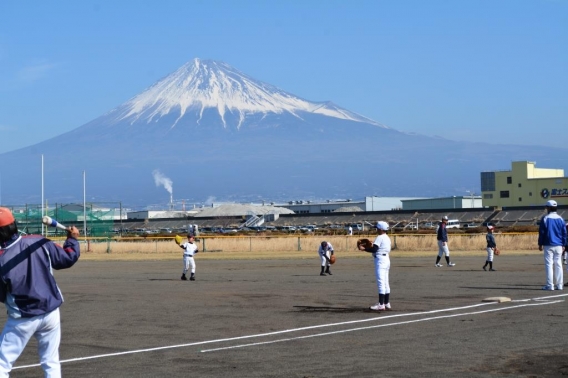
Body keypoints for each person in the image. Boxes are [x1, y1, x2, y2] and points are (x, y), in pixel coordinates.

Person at [0, 207, 81, 377]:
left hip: (22, 318)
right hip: (51, 313)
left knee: (1, 365)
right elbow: (67, 258)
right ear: (14, 224)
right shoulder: (39, 241)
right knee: (50, 362)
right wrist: (72, 239)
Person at [358, 221, 391, 311]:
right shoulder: (387, 237)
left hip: (380, 260)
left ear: (380, 229)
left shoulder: (380, 237)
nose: (376, 229)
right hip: (386, 259)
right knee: (385, 282)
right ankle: (386, 303)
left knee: (381, 282)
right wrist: (371, 245)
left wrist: (364, 249)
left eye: (377, 228)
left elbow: (374, 249)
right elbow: (377, 247)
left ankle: (381, 304)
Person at [538, 200, 567, 290]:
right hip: (559, 245)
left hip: (548, 244)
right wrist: (564, 244)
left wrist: (540, 243)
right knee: (558, 264)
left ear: (549, 208)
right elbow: (564, 233)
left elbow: (542, 232)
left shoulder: (545, 218)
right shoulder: (561, 219)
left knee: (549, 264)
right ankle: (559, 285)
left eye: (546, 207)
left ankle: (550, 285)